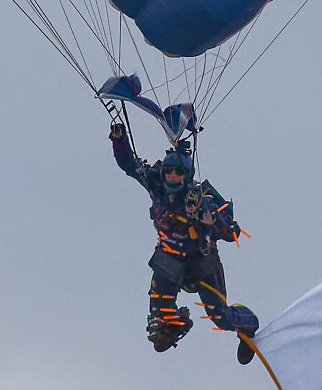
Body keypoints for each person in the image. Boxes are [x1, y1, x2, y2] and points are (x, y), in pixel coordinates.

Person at [109, 119, 259, 360]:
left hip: (201, 263)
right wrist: (119, 140)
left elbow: (233, 233)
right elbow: (130, 165)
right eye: (169, 170)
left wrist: (211, 221)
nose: (172, 176)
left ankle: (248, 326)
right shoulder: (156, 185)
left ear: (187, 175)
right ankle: (175, 324)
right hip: (169, 260)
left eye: (178, 172)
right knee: (160, 318)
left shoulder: (200, 199)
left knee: (220, 317)